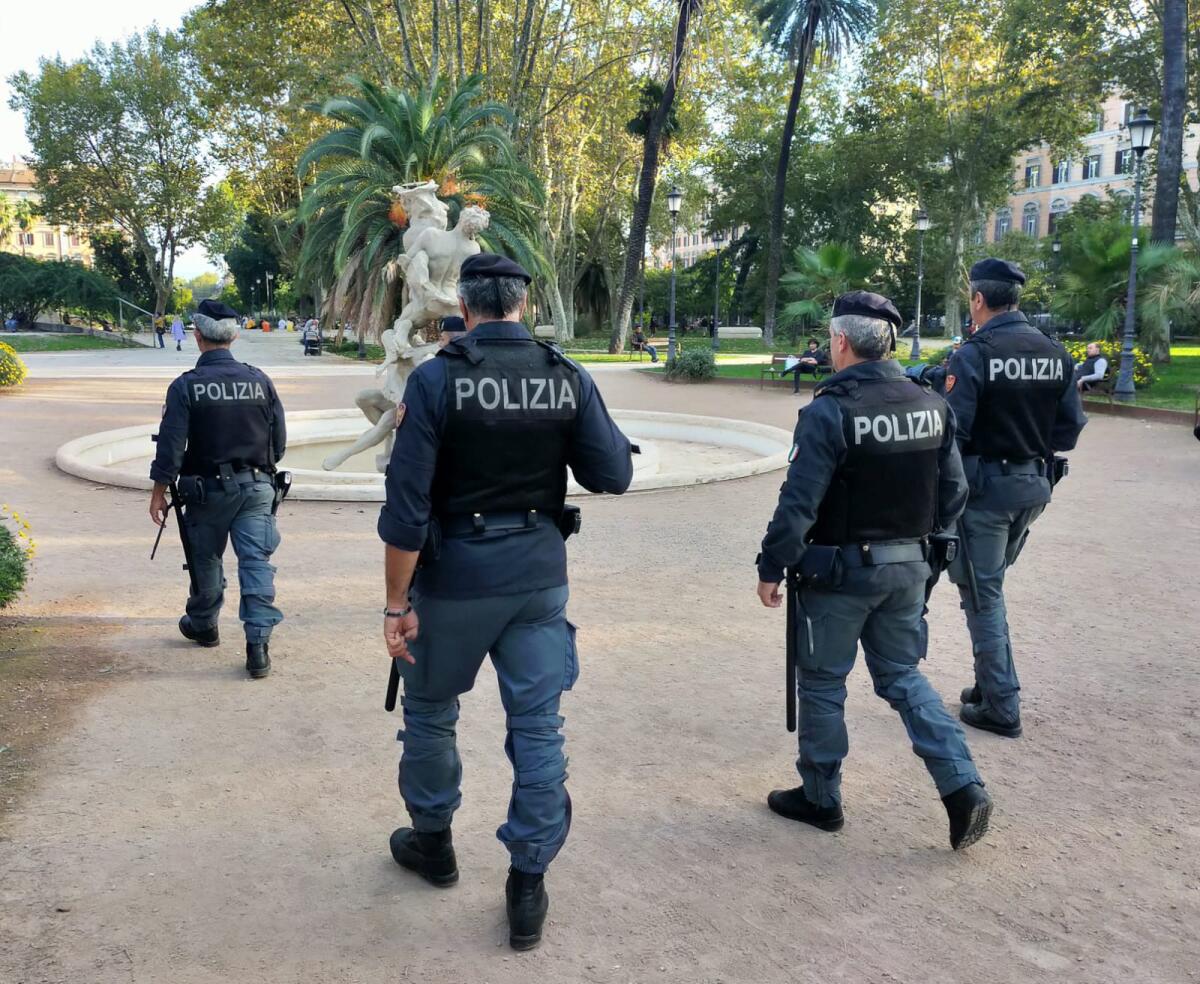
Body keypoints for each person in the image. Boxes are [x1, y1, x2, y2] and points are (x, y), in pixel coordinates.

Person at [378, 253, 633, 950]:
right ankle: (529, 880)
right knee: (539, 727)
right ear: (523, 302)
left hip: (454, 576)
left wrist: (395, 606)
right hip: (537, 578)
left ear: (464, 305)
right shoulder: (564, 376)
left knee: (430, 713)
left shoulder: (435, 381)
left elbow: (404, 513)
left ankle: (434, 845)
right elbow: (613, 474)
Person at [756, 290, 991, 851]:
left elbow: (799, 503)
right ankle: (962, 786)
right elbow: (955, 492)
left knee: (821, 682)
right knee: (904, 678)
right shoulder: (931, 404)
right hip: (908, 568)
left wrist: (772, 564)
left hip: (838, 575)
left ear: (839, 342)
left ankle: (820, 796)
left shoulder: (829, 411)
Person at [943, 259, 1086, 737]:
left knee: (983, 596)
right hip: (1033, 487)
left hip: (985, 493)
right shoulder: (1055, 352)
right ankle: (989, 684)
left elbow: (953, 433)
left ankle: (1001, 705)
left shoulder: (975, 353)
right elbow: (1068, 431)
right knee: (989, 587)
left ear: (978, 300)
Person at [148, 299, 287, 680]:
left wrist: (159, 490)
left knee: (205, 559)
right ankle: (258, 645)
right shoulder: (260, 380)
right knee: (256, 562)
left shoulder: (185, 387)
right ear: (235, 335)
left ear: (197, 336)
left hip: (206, 492)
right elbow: (279, 441)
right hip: (258, 485)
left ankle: (204, 624)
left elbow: (171, 447)